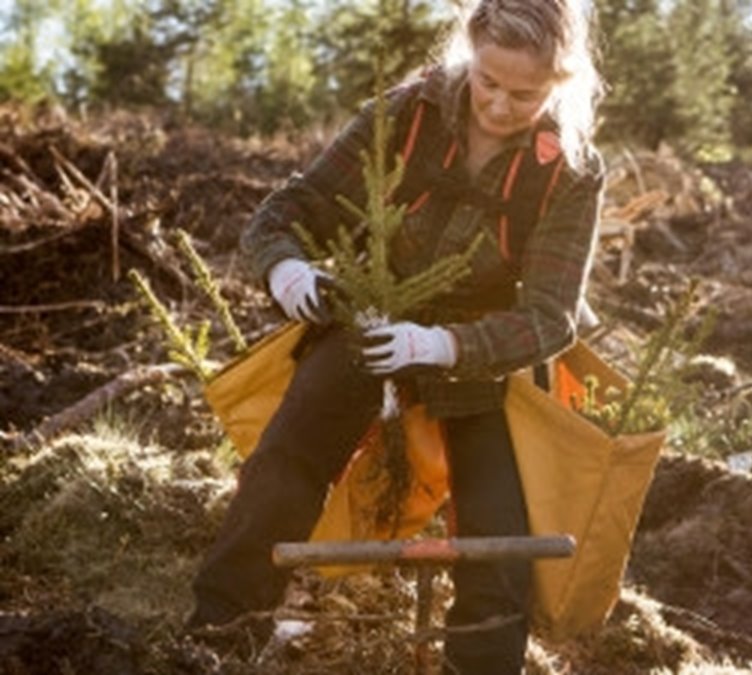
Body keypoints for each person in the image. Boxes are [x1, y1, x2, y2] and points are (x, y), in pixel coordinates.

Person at [186, 1, 604, 672]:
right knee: (285, 460)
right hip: (368, 323)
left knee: (501, 525)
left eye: (523, 94)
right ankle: (218, 636)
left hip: (482, 355)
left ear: (560, 81)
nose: (497, 104)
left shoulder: (571, 170)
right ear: (470, 50)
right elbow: (283, 211)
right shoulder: (405, 115)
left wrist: (443, 346)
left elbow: (551, 315)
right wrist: (287, 268)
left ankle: (481, 664)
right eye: (487, 81)